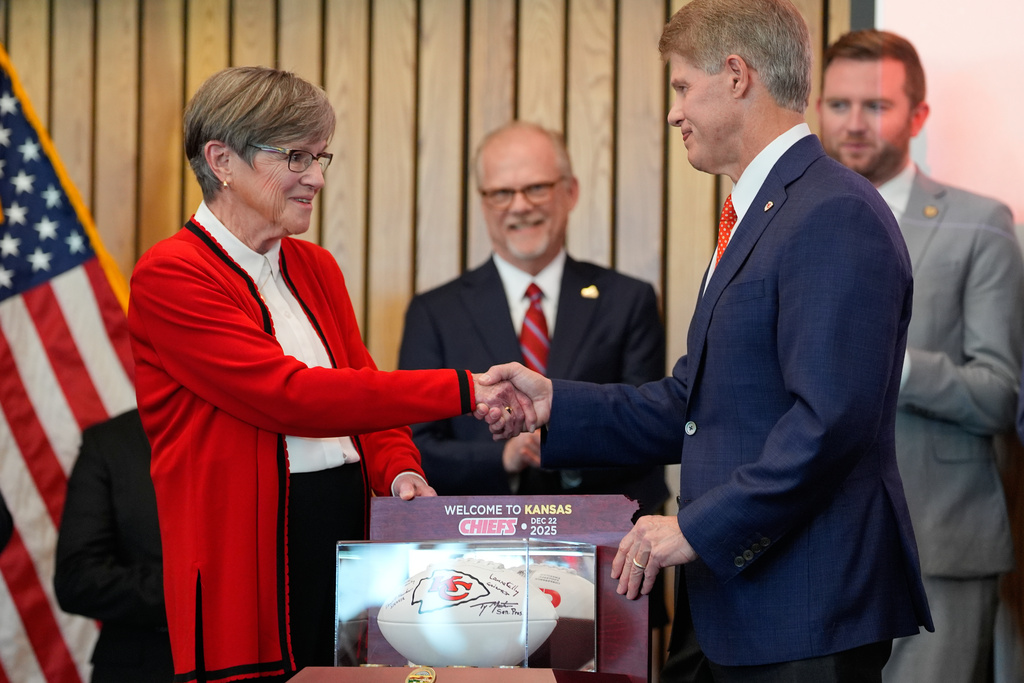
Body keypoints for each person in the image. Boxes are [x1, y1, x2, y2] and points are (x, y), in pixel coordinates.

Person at [476, 0, 934, 679]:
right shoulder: (761, 209)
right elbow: (696, 402)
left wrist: (695, 527)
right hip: (750, 605)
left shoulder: (832, 211)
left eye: (682, 87)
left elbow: (828, 423)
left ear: (737, 75)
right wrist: (555, 404)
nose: (673, 111)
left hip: (806, 610)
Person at [128, 66, 522, 681]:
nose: (315, 177)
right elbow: (293, 397)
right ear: (221, 159)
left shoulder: (316, 267)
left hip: (345, 542)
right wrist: (464, 389)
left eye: (320, 156)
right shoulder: (171, 276)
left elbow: (361, 393)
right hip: (251, 563)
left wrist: (400, 472)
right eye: (295, 156)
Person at [816, 28, 1024, 683]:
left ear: (918, 115)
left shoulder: (981, 222)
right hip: (812, 547)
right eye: (839, 104)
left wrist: (892, 362)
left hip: (937, 543)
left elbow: (1000, 394)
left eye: (875, 106)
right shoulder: (787, 222)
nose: (854, 124)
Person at [398, 121, 669, 515]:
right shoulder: (434, 312)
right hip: (477, 547)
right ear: (483, 201)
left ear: (570, 192)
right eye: (502, 193)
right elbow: (415, 444)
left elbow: (648, 429)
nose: (520, 205)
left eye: (537, 188)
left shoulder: (628, 300)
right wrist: (505, 457)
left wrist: (563, 450)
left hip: (609, 543)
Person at [54, 409, 173, 683]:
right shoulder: (110, 442)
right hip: (145, 665)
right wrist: (191, 591)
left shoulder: (255, 430)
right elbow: (76, 579)